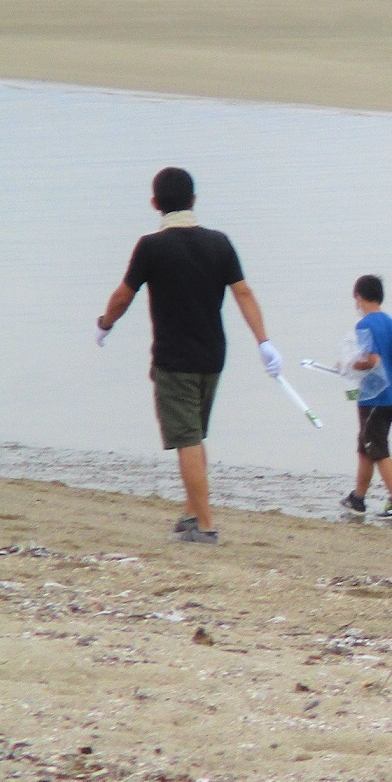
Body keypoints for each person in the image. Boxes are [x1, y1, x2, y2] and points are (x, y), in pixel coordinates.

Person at [94, 166, 279, 546]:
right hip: (213, 355)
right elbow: (243, 292)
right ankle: (191, 512)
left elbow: (123, 295)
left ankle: (206, 525)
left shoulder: (151, 247)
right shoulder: (219, 243)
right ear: (193, 201)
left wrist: (105, 324)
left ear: (155, 204)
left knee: (187, 439)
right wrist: (264, 342)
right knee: (194, 436)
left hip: (174, 358)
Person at [341, 274, 392, 522]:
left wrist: (350, 365)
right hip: (390, 396)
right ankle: (358, 498)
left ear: (358, 298)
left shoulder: (364, 325)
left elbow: (372, 360)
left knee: (379, 450)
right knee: (366, 447)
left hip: (373, 398)